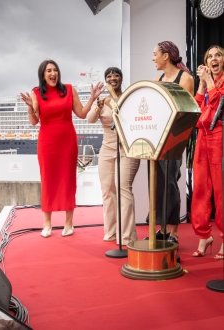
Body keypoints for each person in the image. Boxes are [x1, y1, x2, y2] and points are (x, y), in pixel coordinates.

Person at [20, 59, 103, 238]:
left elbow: (81, 114)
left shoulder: (68, 89)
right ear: (43, 74)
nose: (53, 73)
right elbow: (34, 122)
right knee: (48, 180)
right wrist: (29, 108)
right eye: (49, 70)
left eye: (55, 70)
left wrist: (92, 98)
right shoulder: (36, 93)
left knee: (68, 179)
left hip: (67, 141)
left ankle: (68, 223)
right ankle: (47, 224)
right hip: (47, 142)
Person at [87, 67, 140, 244]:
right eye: (109, 76)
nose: (112, 78)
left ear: (121, 79)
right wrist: (97, 105)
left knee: (123, 189)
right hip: (107, 149)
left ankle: (126, 236)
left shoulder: (128, 98)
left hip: (127, 149)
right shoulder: (103, 101)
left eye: (116, 75)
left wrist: (112, 96)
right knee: (107, 191)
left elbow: (125, 116)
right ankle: (111, 232)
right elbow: (90, 119)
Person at [149, 41, 194, 244]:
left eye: (155, 54)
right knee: (157, 183)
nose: (153, 58)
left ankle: (174, 233)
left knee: (170, 183)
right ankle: (162, 230)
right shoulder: (157, 78)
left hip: (175, 138)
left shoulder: (185, 78)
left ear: (166, 56)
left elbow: (184, 112)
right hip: (157, 138)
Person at [191, 45, 224, 259]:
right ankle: (204, 236)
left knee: (221, 191)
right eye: (209, 56)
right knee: (200, 189)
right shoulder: (207, 83)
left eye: (218, 55)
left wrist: (209, 83)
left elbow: (218, 102)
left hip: (220, 136)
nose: (213, 59)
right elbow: (195, 112)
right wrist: (202, 84)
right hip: (203, 138)